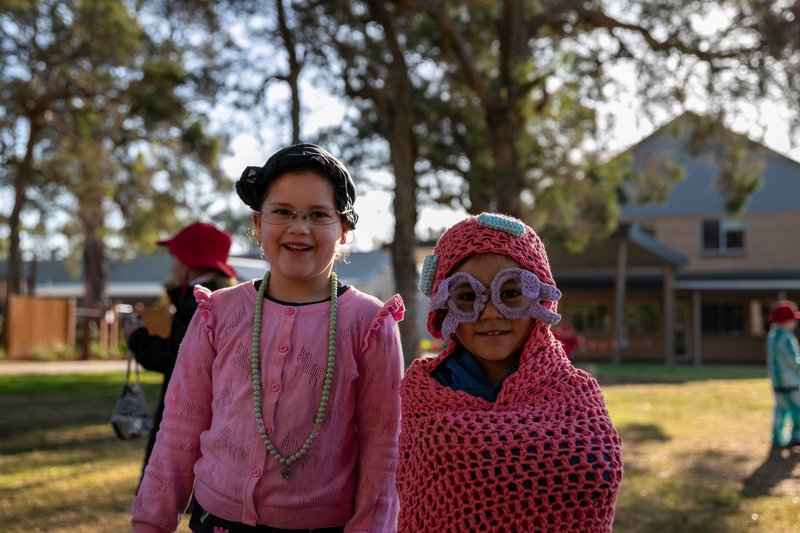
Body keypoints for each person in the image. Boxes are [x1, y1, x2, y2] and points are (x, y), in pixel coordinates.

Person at [131, 143, 405, 533]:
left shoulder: (369, 323)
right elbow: (179, 427)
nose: (299, 227)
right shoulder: (217, 314)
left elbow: (384, 448)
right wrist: (151, 524)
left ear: (344, 230)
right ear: (258, 225)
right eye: (283, 212)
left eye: (318, 214)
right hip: (215, 521)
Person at [396, 213, 623, 532]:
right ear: (444, 306)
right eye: (467, 296)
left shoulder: (575, 393)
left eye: (511, 293)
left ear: (540, 297)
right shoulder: (424, 396)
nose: (489, 312)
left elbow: (596, 482)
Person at [124, 221, 238, 486]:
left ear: (189, 261)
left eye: (174, 255)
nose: (171, 263)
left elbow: (175, 358)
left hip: (188, 410)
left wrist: (136, 337)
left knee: (175, 484)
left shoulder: (197, 304)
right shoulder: (225, 299)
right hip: (217, 410)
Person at [765, 299, 800, 448]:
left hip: (777, 382)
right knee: (797, 410)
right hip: (791, 382)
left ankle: (778, 438)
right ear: (786, 321)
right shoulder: (787, 338)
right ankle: (797, 436)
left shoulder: (772, 336)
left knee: (780, 410)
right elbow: (794, 360)